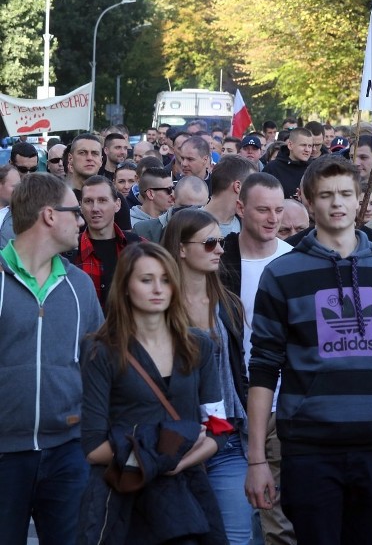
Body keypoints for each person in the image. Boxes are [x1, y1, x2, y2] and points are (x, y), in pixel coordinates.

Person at [245, 155, 372, 544]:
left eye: (346, 193)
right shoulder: (281, 273)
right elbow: (262, 368)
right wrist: (257, 458)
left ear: (360, 197)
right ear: (309, 202)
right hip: (308, 448)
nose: (337, 203)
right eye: (326, 195)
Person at [77, 243, 227, 544]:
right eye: (146, 280)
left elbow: (217, 429)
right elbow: (93, 447)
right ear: (126, 287)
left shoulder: (199, 345)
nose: (158, 288)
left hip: (185, 491)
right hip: (123, 494)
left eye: (166, 279)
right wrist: (166, 443)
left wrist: (179, 463)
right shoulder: (101, 350)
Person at [0, 173, 104, 544]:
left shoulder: (79, 284)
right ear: (48, 215)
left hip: (67, 453)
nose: (82, 220)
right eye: (75, 211)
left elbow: (97, 362)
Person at [163, 209, 253, 545]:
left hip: (227, 438)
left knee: (235, 539)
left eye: (220, 241)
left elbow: (238, 371)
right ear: (182, 249)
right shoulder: (161, 306)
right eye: (210, 242)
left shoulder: (228, 304)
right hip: (177, 442)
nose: (220, 249)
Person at [219, 172, 296, 545]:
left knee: (278, 518)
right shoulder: (219, 259)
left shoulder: (294, 262)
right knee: (233, 518)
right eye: (263, 209)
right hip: (231, 402)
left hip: (283, 403)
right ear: (240, 208)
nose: (272, 218)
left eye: (279, 210)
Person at [69, 176, 144, 309]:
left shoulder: (141, 247)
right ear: (80, 207)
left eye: (102, 200)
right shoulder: (69, 252)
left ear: (117, 205)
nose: (95, 208)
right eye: (88, 201)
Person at [134, 175, 210, 243]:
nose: (192, 214)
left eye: (199, 208)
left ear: (207, 203)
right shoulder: (144, 231)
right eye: (185, 208)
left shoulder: (214, 234)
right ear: (173, 199)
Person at [263, 127, 312, 199]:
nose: (307, 150)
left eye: (310, 146)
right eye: (303, 145)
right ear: (290, 145)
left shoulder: (314, 169)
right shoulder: (272, 168)